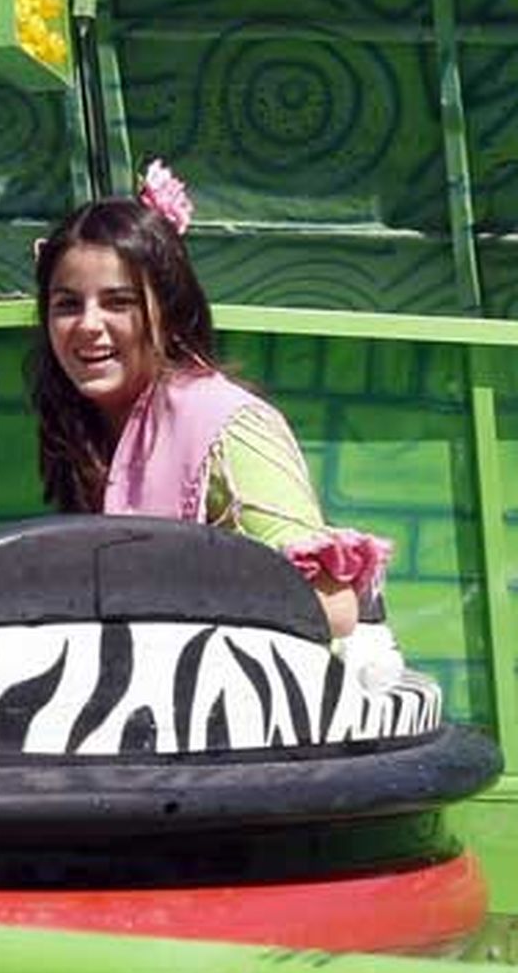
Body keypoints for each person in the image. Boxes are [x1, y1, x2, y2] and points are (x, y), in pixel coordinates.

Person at [30, 161, 390, 639]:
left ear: (170, 311)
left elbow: (332, 606)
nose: (89, 324)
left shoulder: (224, 426)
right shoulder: (82, 427)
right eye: (68, 305)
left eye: (120, 303)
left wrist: (177, 601)